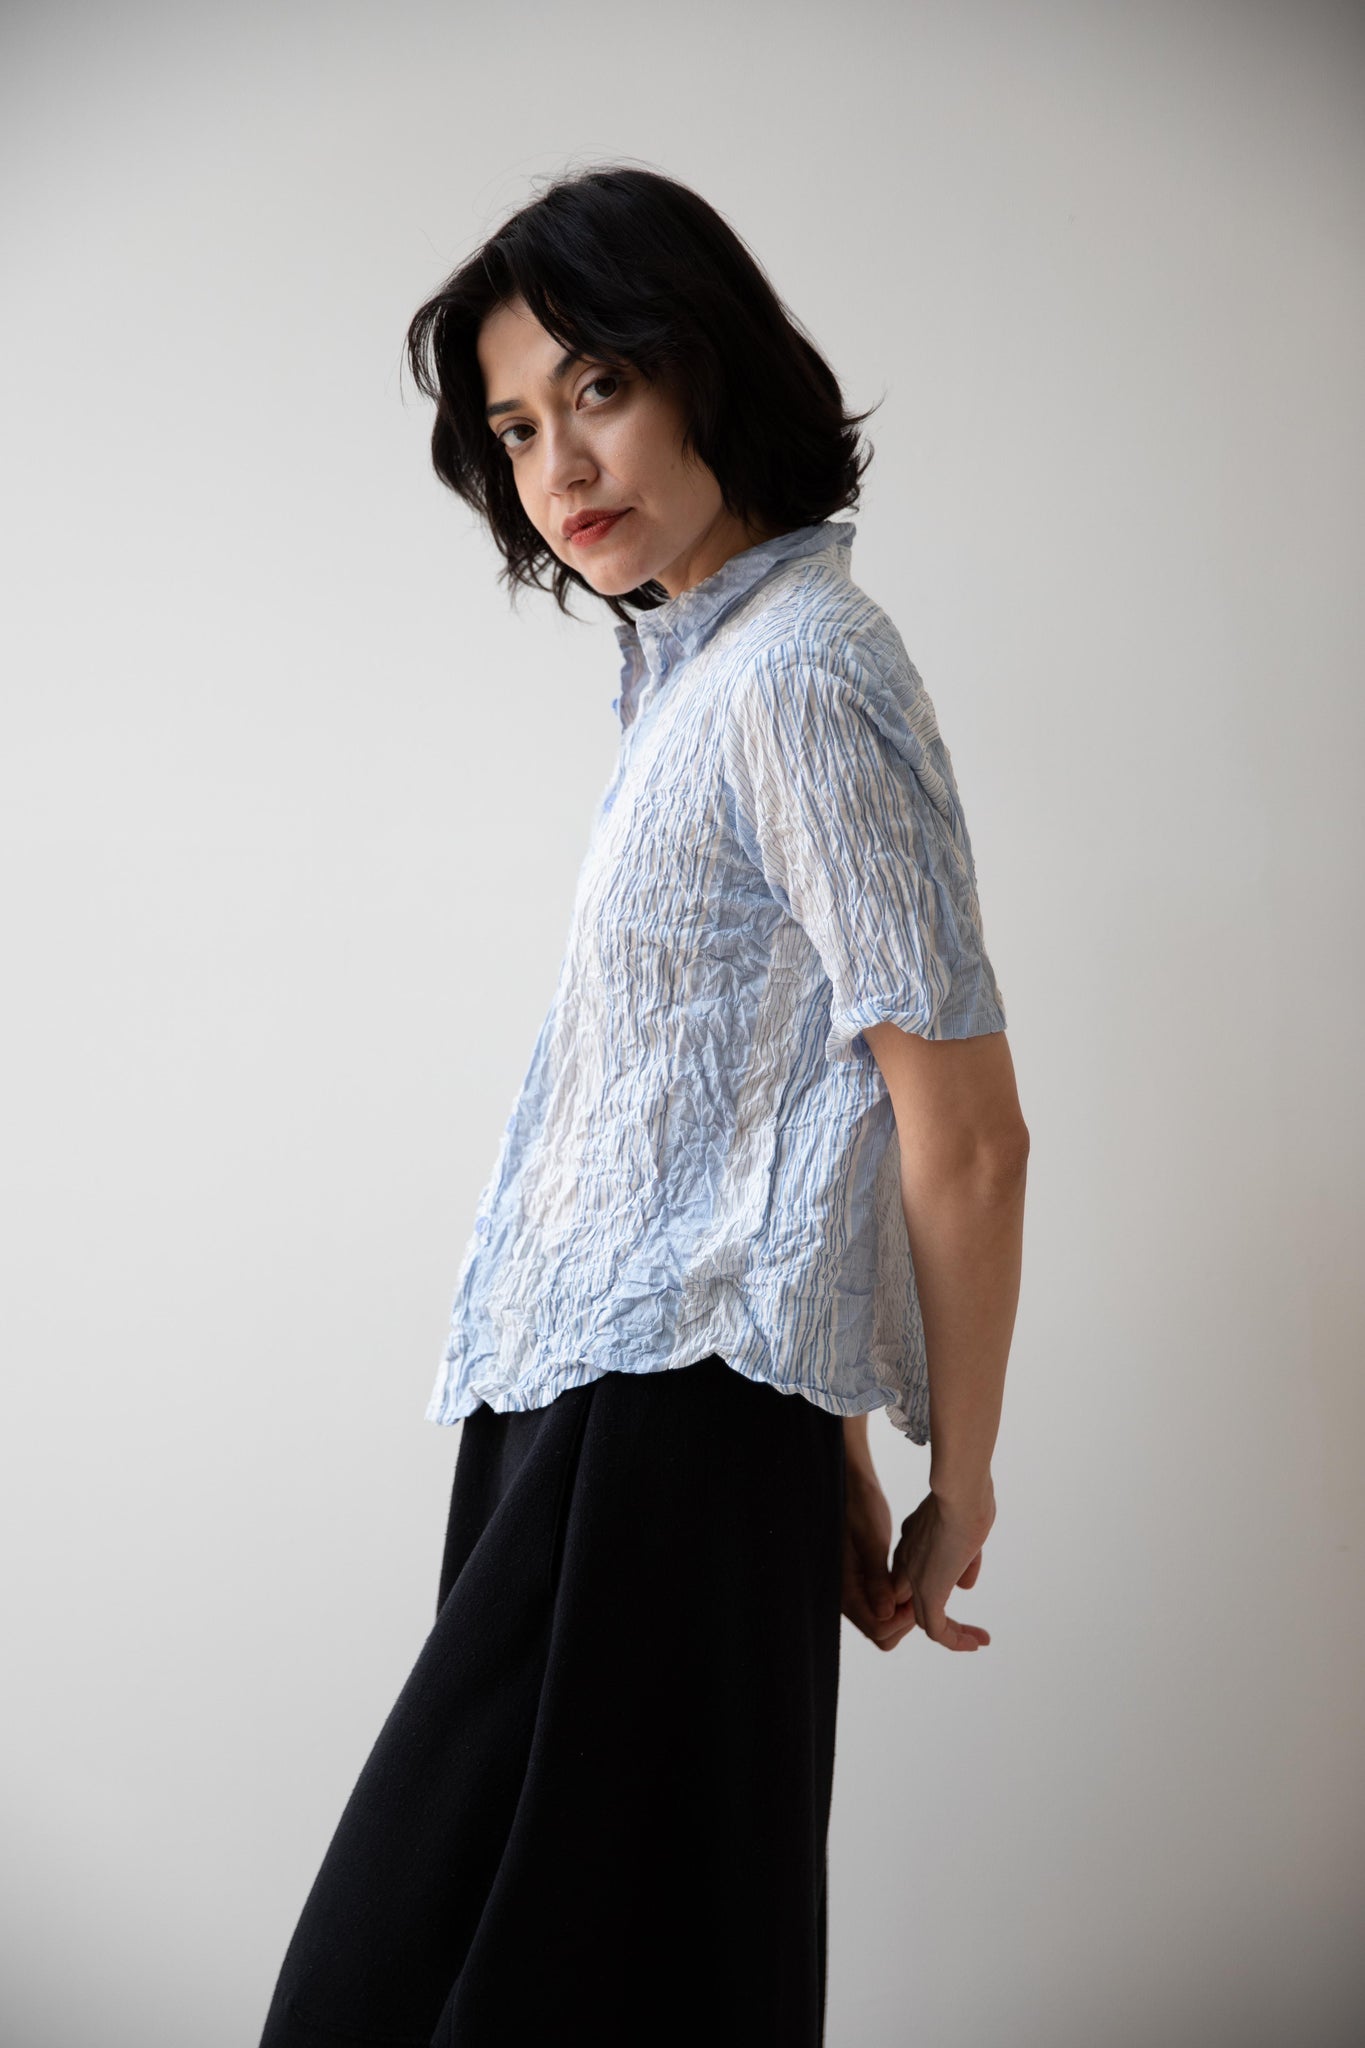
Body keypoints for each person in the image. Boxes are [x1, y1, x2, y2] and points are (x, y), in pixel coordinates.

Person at [257, 162, 1029, 2048]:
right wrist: (829, 1440)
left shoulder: (800, 675)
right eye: (517, 426)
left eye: (598, 386)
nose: (558, 464)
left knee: (468, 1984)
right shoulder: (701, 676)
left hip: (656, 1437)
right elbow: (758, 1124)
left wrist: (960, 1475)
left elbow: (963, 1127)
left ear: (709, 368)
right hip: (602, 1414)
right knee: (609, 1973)